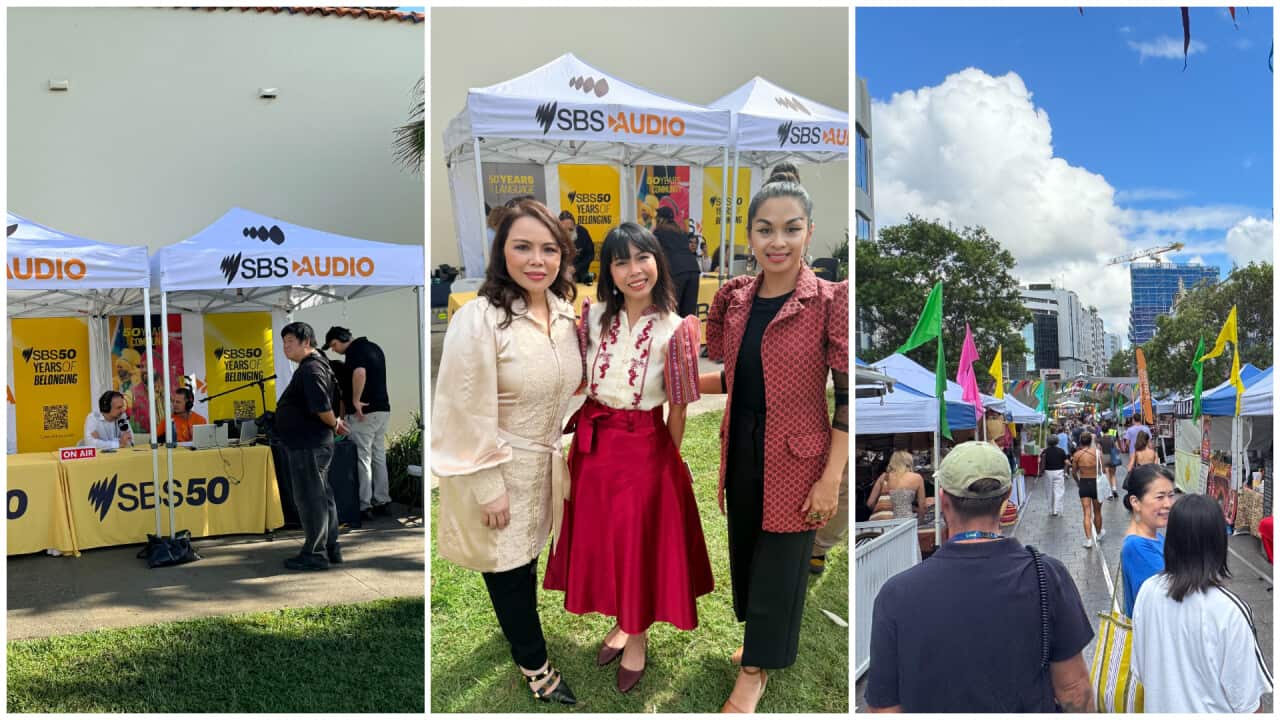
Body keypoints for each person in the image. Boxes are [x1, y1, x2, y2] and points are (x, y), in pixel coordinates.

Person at [543, 222, 713, 695]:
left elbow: (678, 407)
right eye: (622, 261)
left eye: (643, 258)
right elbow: (571, 378)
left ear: (658, 261)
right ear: (609, 271)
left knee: (637, 547)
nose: (634, 270)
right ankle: (621, 621)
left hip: (645, 449)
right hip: (593, 449)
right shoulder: (591, 317)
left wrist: (669, 462)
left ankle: (636, 638)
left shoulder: (678, 329)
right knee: (606, 543)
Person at [702, 170, 848, 713]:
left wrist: (831, 477)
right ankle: (757, 644)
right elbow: (732, 374)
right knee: (745, 554)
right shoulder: (736, 298)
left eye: (791, 229)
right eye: (765, 229)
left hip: (801, 458)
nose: (777, 242)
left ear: (809, 232)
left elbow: (846, 399)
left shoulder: (831, 300)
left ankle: (755, 668)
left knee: (780, 566)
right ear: (749, 236)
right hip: (741, 447)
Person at [431, 199, 582, 705]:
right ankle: (535, 665)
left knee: (527, 557)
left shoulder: (564, 315)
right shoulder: (480, 319)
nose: (537, 260)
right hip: (497, 464)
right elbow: (463, 409)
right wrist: (488, 486)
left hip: (543, 463)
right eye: (523, 247)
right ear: (502, 252)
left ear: (563, 254)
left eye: (548, 248)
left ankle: (518, 634)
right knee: (508, 569)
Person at [865, 441, 1094, 712]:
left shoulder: (896, 594)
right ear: (1007, 497)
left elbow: (884, 709)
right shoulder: (1048, 576)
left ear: (943, 499)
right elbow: (1074, 693)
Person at [1131, 494, 1273, 712]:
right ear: (1219, 542)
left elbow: (1140, 669)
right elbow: (1248, 704)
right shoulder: (1230, 611)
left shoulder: (1147, 591)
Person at [275, 321, 348, 572]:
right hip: (311, 443)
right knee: (322, 496)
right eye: (283, 342)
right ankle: (329, 547)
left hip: (309, 445)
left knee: (311, 499)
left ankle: (315, 554)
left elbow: (322, 407)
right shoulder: (317, 365)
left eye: (290, 342)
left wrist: (335, 422)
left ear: (306, 342)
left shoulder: (311, 369)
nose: (285, 347)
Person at [324, 325, 391, 520]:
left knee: (363, 459)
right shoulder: (374, 347)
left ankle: (364, 504)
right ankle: (383, 500)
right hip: (383, 409)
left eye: (334, 345)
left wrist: (355, 400)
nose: (334, 350)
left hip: (364, 413)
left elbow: (360, 373)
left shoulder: (355, 351)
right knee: (379, 456)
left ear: (342, 339)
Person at [1119, 464, 1175, 618]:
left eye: (1171, 495)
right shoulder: (1137, 547)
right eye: (1160, 497)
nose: (1168, 504)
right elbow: (1170, 599)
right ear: (1135, 502)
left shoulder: (1155, 536)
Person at [653, 206, 701, 318]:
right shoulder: (682, 232)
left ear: (661, 219)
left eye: (657, 217)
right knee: (688, 313)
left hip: (676, 272)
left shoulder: (659, 232)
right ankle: (688, 335)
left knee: (672, 314)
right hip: (693, 269)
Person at [864, 450, 926, 524]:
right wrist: (920, 521)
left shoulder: (884, 477)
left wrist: (882, 510)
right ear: (909, 462)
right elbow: (922, 506)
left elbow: (870, 503)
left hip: (882, 523)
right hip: (905, 522)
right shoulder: (917, 478)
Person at [1069, 432, 1104, 548]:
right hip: (1096, 483)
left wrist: (1078, 482)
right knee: (1097, 511)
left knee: (1086, 513)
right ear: (1090, 441)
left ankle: (1089, 540)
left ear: (1080, 441)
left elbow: (1073, 472)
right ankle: (1098, 534)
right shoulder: (1098, 453)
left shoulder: (1077, 455)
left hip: (1084, 483)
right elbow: (1102, 469)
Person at [559, 210, 595, 283]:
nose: (567, 234)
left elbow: (590, 255)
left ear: (575, 227)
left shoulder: (582, 233)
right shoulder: (553, 236)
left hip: (580, 273)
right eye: (563, 230)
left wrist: (575, 268)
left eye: (570, 229)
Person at [1039, 435, 1069, 517]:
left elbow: (1041, 463)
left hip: (1048, 472)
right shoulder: (1061, 451)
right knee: (1058, 491)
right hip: (1059, 472)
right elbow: (1067, 462)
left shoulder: (1045, 451)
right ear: (1057, 442)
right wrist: (1065, 472)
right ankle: (1057, 510)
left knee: (1049, 491)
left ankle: (1050, 509)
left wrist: (1040, 473)